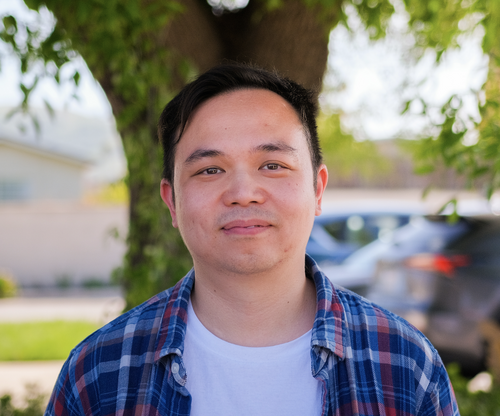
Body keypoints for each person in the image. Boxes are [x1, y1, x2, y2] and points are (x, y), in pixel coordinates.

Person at [46, 63, 460, 416]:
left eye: (272, 165)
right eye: (210, 170)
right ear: (171, 202)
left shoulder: (406, 364)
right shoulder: (98, 372)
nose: (243, 193)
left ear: (317, 189)